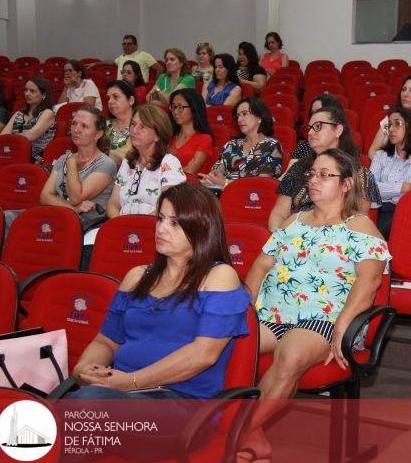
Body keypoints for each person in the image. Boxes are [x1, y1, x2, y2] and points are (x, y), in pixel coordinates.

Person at [242, 148, 390, 461]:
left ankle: (233, 435)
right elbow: (258, 268)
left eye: (326, 175)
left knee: (290, 355)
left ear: (346, 184)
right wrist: (242, 312)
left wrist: (342, 329)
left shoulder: (360, 228)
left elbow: (369, 284)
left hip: (323, 318)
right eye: (313, 174)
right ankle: (250, 432)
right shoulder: (293, 221)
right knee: (228, 341)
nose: (314, 180)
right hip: (272, 312)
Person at [69, 183, 250, 403]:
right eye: (160, 219)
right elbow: (106, 342)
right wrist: (84, 369)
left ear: (201, 227)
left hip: (178, 399)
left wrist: (130, 382)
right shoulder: (136, 277)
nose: (161, 229)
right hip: (117, 391)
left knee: (85, 404)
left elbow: (204, 354)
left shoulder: (219, 276)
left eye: (174, 223)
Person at [268, 105, 382, 232]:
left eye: (318, 126)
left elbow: (356, 223)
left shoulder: (359, 174)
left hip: (335, 243)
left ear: (338, 130)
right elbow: (279, 214)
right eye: (309, 128)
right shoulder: (298, 168)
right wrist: (280, 238)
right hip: (293, 239)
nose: (310, 132)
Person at [39, 106, 117, 230]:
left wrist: (71, 162)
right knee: (9, 217)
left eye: (84, 126)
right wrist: (73, 209)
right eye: (74, 123)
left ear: (98, 134)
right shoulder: (63, 158)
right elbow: (45, 196)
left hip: (85, 225)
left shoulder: (106, 164)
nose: (76, 129)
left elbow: (76, 197)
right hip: (58, 217)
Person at [107, 105, 185, 218]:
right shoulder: (127, 162)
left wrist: (137, 228)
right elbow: (113, 203)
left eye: (142, 127)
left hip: (153, 228)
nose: (134, 130)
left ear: (158, 135)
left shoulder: (169, 162)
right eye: (133, 124)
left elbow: (169, 207)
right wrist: (120, 225)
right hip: (122, 226)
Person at [370, 107, 411, 238]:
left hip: (409, 213)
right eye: (389, 125)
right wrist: (402, 188)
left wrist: (385, 189)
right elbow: (369, 188)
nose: (391, 129)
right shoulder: (380, 156)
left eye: (397, 124)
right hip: (379, 211)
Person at [200, 97, 281, 188]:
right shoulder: (232, 144)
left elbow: (262, 182)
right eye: (238, 116)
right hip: (221, 190)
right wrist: (211, 177)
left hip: (250, 197)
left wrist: (225, 182)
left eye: (244, 114)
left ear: (260, 117)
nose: (239, 119)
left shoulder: (271, 145)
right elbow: (218, 170)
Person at [1, 77, 56, 163]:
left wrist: (11, 139)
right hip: (14, 154)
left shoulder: (47, 113)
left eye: (32, 91)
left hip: (36, 157)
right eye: (26, 90)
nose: (27, 93)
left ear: (44, 95)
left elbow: (31, 136)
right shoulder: (18, 114)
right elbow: (2, 137)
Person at [289, 93, 344, 172]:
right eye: (312, 113)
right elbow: (287, 176)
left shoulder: (349, 153)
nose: (315, 116)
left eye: (319, 111)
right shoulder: (304, 147)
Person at [168, 88, 213, 175]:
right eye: (173, 107)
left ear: (194, 108)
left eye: (180, 107)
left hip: (192, 186)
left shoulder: (204, 139)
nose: (175, 112)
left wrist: (167, 171)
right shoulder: (170, 136)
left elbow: (190, 171)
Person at [88, 34, 162, 82]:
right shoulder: (122, 57)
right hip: (120, 87)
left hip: (137, 87)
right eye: (124, 44)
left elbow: (160, 69)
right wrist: (96, 64)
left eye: (129, 44)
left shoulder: (143, 55)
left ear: (136, 46)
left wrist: (155, 85)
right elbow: (111, 62)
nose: (125, 46)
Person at [105, 80, 137, 164]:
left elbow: (138, 162)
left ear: (131, 100)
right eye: (108, 98)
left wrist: (110, 153)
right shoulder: (104, 125)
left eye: (115, 97)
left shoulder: (141, 127)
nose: (110, 101)